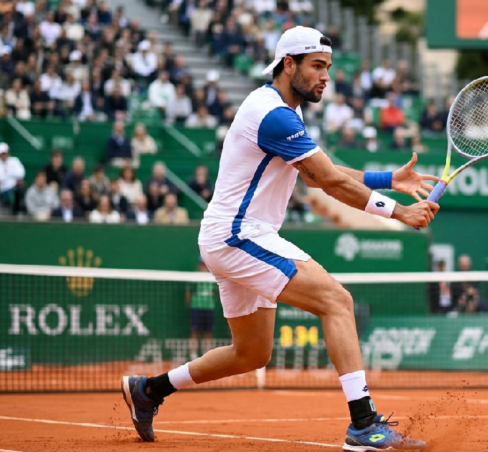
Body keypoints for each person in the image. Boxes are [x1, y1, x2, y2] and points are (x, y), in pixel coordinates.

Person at [121, 26, 436, 450]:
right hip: (238, 234)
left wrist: (388, 179)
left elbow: (318, 172)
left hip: (228, 236)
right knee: (337, 301)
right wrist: (399, 212)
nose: (326, 77)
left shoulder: (285, 109)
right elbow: (326, 180)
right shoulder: (273, 114)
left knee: (251, 354)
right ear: (289, 64)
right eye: (317, 66)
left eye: (329, 67)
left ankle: (150, 390)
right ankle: (363, 424)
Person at [187, 257, 216, 360]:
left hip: (209, 307)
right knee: (195, 331)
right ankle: (193, 355)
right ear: (198, 265)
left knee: (208, 331)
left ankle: (206, 354)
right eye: (201, 264)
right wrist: (190, 304)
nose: (203, 266)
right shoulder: (194, 277)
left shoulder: (212, 277)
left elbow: (215, 292)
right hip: (196, 307)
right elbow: (188, 292)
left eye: (204, 264)